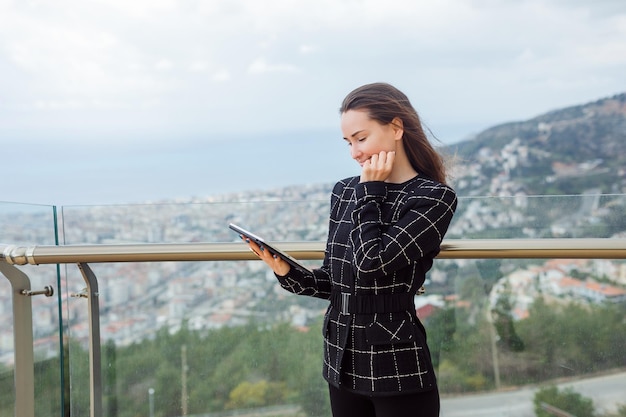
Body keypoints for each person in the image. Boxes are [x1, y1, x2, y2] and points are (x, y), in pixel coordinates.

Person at [244, 82, 457, 417]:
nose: (354, 152)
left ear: (396, 127)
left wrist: (371, 191)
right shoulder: (345, 192)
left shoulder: (432, 198)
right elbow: (335, 282)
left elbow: (372, 262)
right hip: (340, 360)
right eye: (348, 142)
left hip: (396, 368)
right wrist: (286, 271)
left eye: (361, 138)